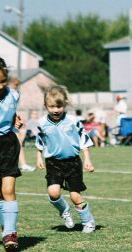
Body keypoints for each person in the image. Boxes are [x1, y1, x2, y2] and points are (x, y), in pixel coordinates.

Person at [35, 85, 96, 233]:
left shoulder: (73, 121)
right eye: (52, 106)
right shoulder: (42, 123)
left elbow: (83, 140)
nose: (56, 110)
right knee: (53, 192)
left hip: (72, 162)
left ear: (65, 105)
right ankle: (64, 211)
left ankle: (88, 222)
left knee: (75, 196)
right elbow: (40, 141)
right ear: (45, 106)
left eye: (59, 106)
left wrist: (87, 159)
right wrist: (39, 157)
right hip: (53, 162)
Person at [0, 57, 22, 252]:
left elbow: (13, 112)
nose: (0, 86)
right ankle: (4, 223)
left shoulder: (13, 94)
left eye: (2, 81)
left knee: (8, 188)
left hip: (7, 144)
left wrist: (16, 120)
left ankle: (10, 233)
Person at [8, 76, 35, 172]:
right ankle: (22, 164)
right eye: (16, 84)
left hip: (10, 123)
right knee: (18, 140)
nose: (17, 86)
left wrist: (17, 117)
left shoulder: (14, 93)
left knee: (19, 140)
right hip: (5, 124)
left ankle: (23, 164)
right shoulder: (8, 93)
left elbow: (11, 110)